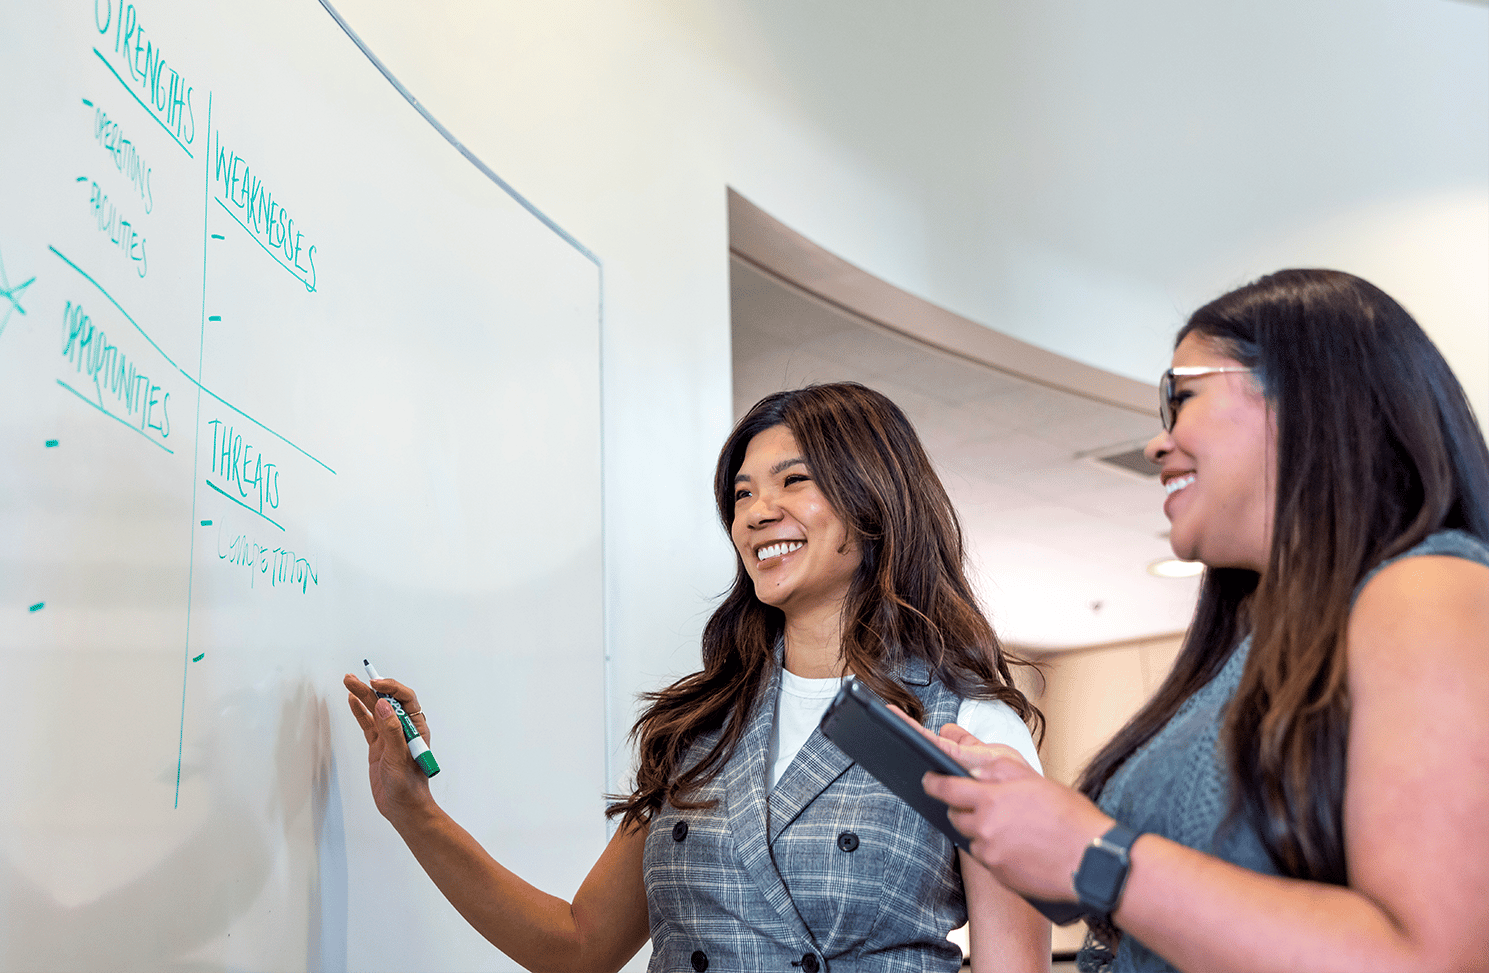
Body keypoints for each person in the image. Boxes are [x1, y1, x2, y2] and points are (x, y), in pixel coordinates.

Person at [345, 381, 1052, 972]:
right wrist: (416, 813)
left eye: (793, 481)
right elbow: (578, 944)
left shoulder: (969, 727)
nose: (755, 514)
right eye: (741, 495)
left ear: (875, 502)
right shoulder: (702, 723)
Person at [917, 269, 1489, 973]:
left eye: (1182, 396)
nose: (1159, 444)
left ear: (1308, 397)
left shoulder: (1429, 589)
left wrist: (1093, 855)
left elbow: (1432, 958)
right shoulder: (1257, 643)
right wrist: (1048, 824)